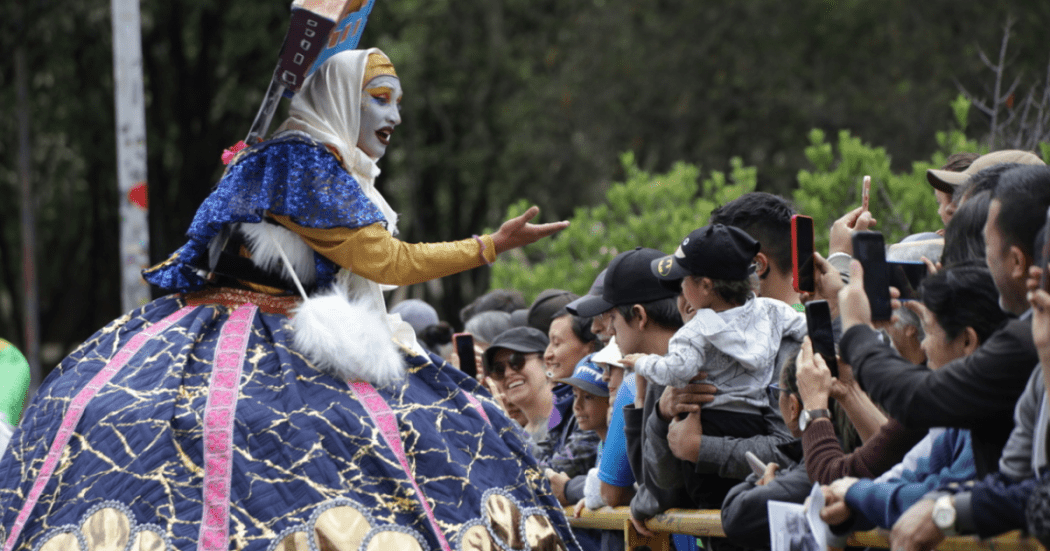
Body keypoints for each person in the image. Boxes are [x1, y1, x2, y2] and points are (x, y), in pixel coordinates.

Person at [0, 49, 581, 551]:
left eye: (397, 102)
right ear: (338, 99)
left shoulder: (310, 159)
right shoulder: (302, 160)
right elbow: (388, 262)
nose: (394, 116)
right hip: (250, 324)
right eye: (380, 98)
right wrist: (488, 245)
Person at [626, 224, 807, 439]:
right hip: (755, 422)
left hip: (709, 423)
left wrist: (642, 363)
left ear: (705, 286)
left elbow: (677, 371)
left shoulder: (695, 331)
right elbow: (805, 328)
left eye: (683, 280)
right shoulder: (773, 311)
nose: (681, 289)